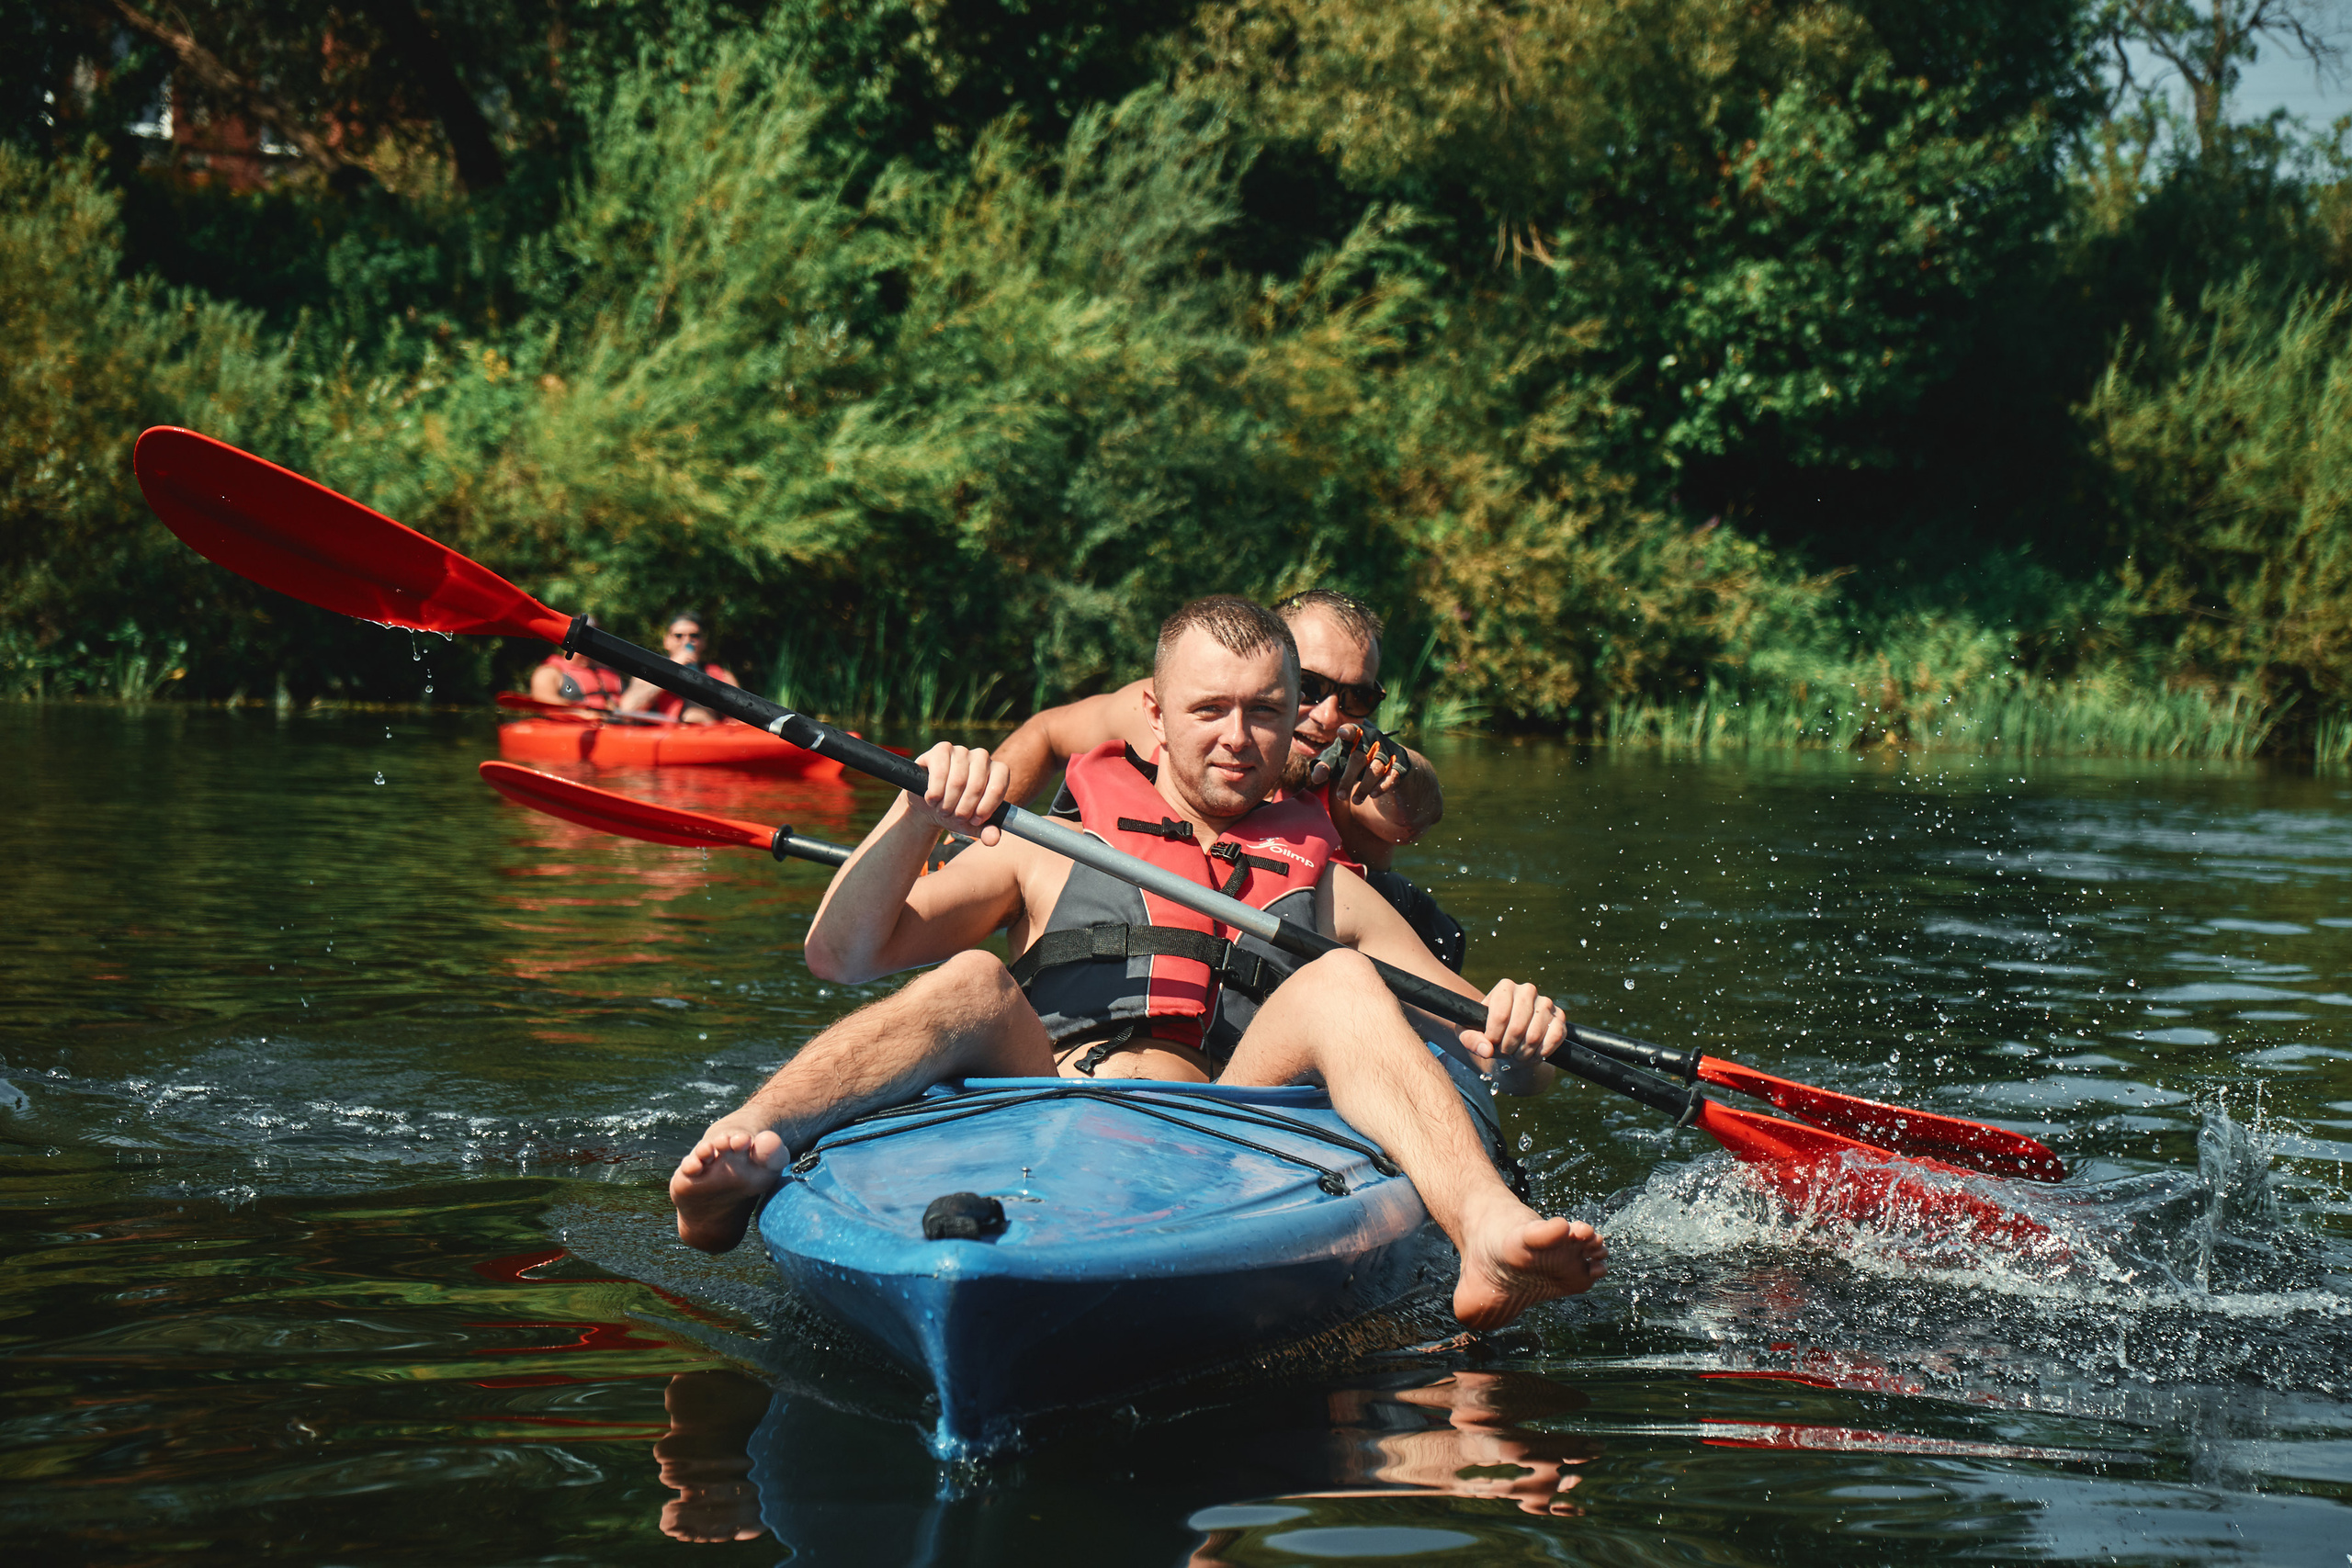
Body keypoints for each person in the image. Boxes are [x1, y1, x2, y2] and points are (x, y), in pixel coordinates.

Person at [669, 596, 1606, 1331]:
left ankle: (1484, 1230)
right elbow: (842, 954)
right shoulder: (1044, 845)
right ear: (1152, 717)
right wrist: (915, 816)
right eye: (1209, 712)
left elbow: (1496, 1058)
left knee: (1341, 981)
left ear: (1291, 731)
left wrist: (1521, 1037)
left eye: (1264, 714)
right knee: (968, 980)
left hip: (1224, 1117)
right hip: (1036, 1096)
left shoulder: (1332, 892)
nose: (1237, 738)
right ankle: (747, 1150)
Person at [993, 589, 1464, 968]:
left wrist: (1400, 773)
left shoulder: (1358, 777)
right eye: (1311, 686)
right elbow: (1048, 732)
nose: (1327, 716)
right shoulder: (1172, 715)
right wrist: (970, 831)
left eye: (1356, 697)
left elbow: (1418, 810)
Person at [618, 609, 739, 724]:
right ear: (667, 641)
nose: (687, 641)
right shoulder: (649, 673)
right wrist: (671, 669)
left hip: (709, 738)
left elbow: (740, 717)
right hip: (669, 740)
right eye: (678, 636)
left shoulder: (721, 675)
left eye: (694, 636)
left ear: (703, 642)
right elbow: (627, 710)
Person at [527, 615, 624, 709]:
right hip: (571, 723)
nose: (588, 649)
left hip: (615, 723)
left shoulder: (609, 671)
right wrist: (581, 713)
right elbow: (544, 700)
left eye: (592, 643)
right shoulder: (549, 673)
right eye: (583, 643)